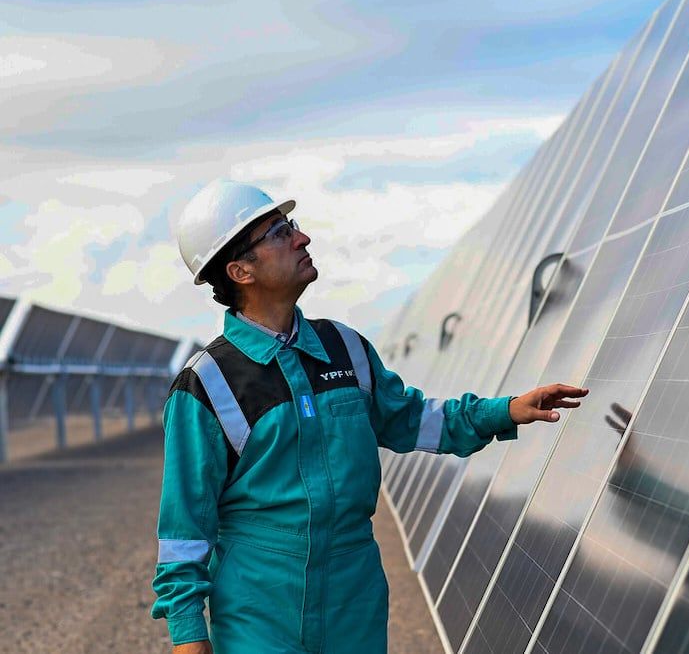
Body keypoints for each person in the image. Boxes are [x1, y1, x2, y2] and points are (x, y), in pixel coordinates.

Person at [151, 179, 587, 654]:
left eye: (291, 225)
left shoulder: (346, 348)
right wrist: (189, 638)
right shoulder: (207, 385)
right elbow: (184, 531)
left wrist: (504, 412)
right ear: (240, 271)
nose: (302, 238)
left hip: (354, 599)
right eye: (278, 232)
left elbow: (413, 420)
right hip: (259, 609)